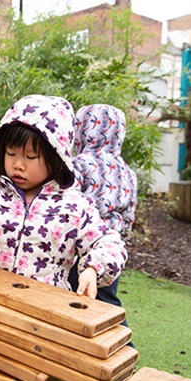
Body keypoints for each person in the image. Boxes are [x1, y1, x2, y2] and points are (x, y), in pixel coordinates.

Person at [0, 95, 126, 298]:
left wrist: (94, 268)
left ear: (56, 157)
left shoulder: (74, 206)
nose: (18, 164)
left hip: (43, 308)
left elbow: (109, 242)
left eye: (30, 156)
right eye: (11, 153)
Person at [70, 104, 138, 333]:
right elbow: (130, 213)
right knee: (107, 297)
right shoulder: (127, 171)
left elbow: (70, 203)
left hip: (83, 246)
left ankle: (121, 347)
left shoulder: (78, 165)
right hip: (112, 248)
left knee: (82, 297)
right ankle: (115, 347)